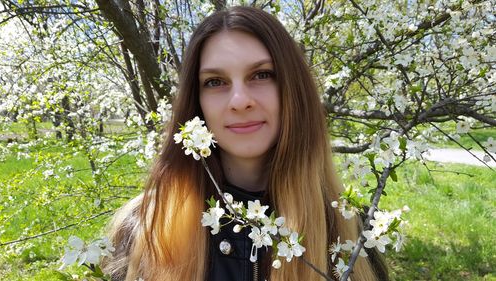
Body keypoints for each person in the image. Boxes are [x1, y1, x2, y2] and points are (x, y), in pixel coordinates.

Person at [102, 6, 388, 281]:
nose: (239, 101)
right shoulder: (143, 229)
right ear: (196, 102)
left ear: (294, 92)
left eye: (262, 75)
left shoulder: (349, 232)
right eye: (215, 81)